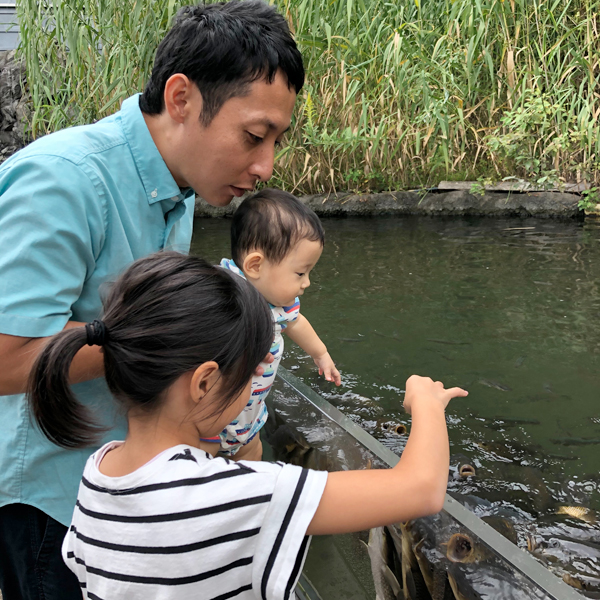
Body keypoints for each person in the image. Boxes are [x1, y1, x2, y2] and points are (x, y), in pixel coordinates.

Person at [0, 2, 303, 598]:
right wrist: (168, 341)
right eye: (253, 136)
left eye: (275, 142)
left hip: (122, 490)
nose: (265, 165)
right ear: (182, 98)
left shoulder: (178, 191)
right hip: (50, 504)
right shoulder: (65, 181)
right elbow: (5, 358)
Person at [27, 251, 468, 600]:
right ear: (204, 382)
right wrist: (426, 404)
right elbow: (421, 489)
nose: (256, 384)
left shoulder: (99, 474)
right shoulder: (233, 495)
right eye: (252, 372)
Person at [208, 188, 341, 460]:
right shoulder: (222, 293)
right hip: (211, 425)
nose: (307, 283)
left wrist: (321, 354)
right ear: (255, 266)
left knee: (252, 458)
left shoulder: (280, 303)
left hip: (251, 419)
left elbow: (296, 323)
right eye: (300, 273)